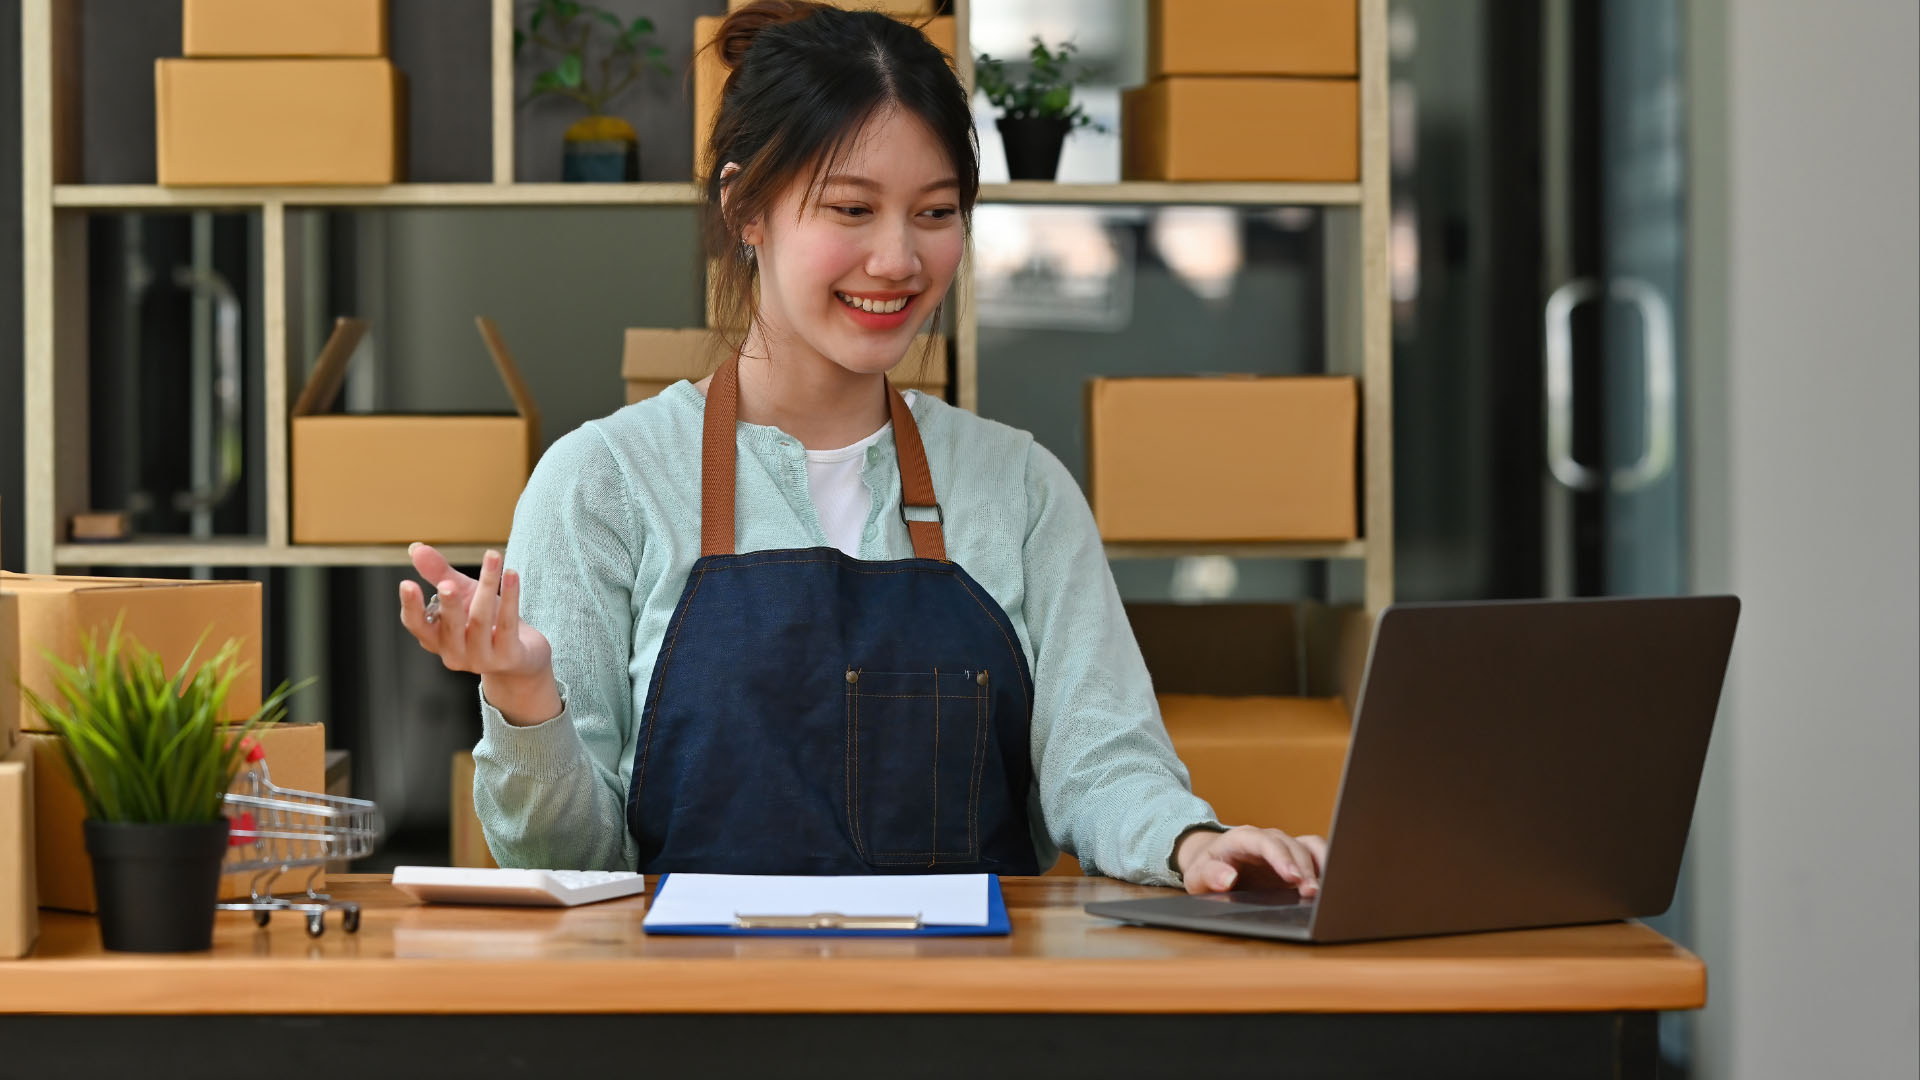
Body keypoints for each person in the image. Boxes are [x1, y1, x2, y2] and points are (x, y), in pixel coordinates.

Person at [397, 0, 1326, 895]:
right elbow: (569, 862)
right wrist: (527, 699)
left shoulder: (1022, 489)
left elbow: (1103, 762)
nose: (899, 260)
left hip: (963, 1029)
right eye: (851, 210)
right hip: (694, 1026)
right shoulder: (604, 483)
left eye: (934, 212)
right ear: (746, 210)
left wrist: (1191, 840)